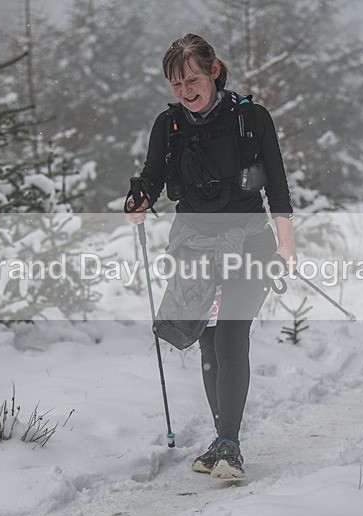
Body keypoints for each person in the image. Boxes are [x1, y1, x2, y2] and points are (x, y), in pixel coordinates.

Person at [125, 33, 297, 480]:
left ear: (214, 70)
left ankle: (230, 444)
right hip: (195, 248)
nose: (186, 91)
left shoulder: (251, 119)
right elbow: (153, 178)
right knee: (207, 340)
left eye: (193, 79)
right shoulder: (169, 126)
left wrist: (285, 244)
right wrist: (139, 198)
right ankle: (223, 441)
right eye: (176, 84)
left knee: (230, 336)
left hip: (248, 245)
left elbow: (277, 185)